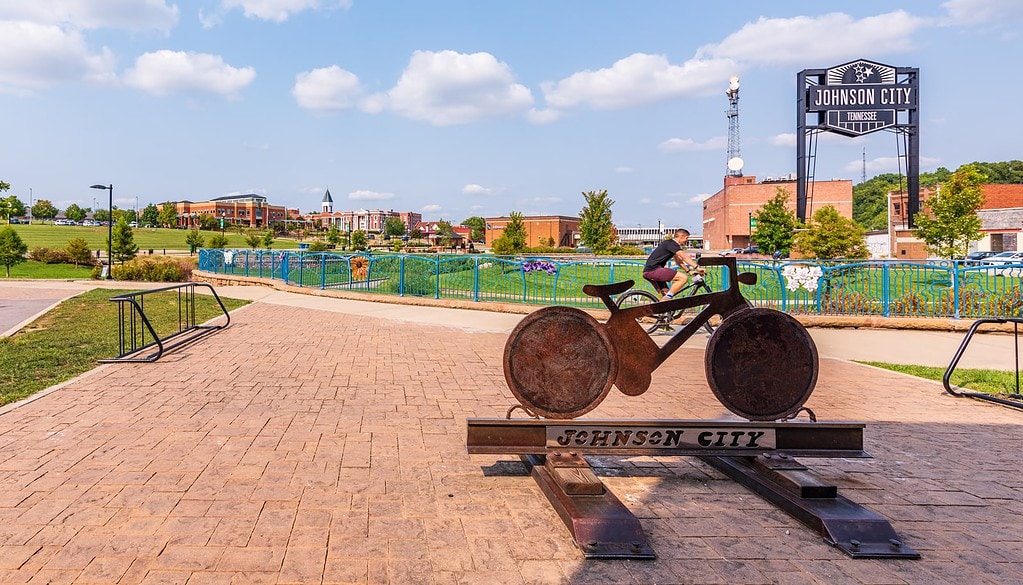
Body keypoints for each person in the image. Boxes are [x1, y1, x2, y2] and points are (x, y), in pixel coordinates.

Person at [642, 228, 700, 298]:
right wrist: (697, 268)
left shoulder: (670, 244)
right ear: (681, 236)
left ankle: (664, 304)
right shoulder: (672, 244)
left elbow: (678, 261)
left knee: (667, 294)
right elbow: (684, 257)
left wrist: (689, 271)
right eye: (687, 238)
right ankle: (666, 299)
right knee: (683, 278)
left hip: (650, 271)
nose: (687, 240)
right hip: (653, 270)